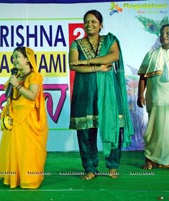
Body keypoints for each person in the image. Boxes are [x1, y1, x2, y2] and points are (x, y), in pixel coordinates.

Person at [69, 10, 134, 180]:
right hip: (85, 91)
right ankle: (90, 168)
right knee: (85, 130)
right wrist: (96, 67)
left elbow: (114, 56)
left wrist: (87, 61)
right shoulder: (76, 44)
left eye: (93, 22)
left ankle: (112, 165)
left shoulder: (110, 40)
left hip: (108, 93)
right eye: (86, 22)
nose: (89, 25)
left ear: (101, 24)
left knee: (113, 126)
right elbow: (74, 65)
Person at [0, 46, 49, 188]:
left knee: (25, 150)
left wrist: (17, 86)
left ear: (27, 59)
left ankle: (28, 179)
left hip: (28, 118)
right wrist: (8, 111)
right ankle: (8, 176)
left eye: (17, 57)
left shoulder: (35, 76)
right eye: (13, 57)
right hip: (14, 116)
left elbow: (32, 96)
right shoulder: (16, 76)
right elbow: (10, 96)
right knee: (9, 147)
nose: (14, 60)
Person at [137, 24, 169, 170]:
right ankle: (149, 158)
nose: (164, 36)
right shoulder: (152, 54)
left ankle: (164, 160)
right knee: (153, 129)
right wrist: (140, 95)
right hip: (156, 99)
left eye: (168, 33)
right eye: (162, 33)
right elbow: (143, 76)